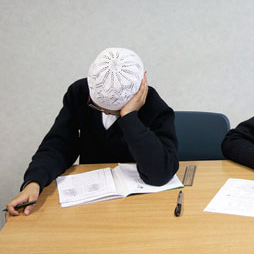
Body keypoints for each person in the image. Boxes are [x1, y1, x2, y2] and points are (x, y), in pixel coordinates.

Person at [5, 48, 179, 218]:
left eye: (113, 111)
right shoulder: (80, 93)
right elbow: (58, 144)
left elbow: (160, 174)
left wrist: (129, 118)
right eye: (98, 107)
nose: (105, 113)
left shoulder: (154, 106)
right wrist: (34, 182)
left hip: (141, 206)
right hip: (92, 204)